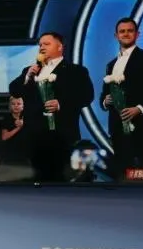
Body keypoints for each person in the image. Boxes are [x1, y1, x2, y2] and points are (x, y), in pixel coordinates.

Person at [9, 31, 93, 182]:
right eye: (40, 44)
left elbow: (87, 96)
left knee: (61, 178)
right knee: (36, 178)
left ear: (60, 47)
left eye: (46, 44)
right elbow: (14, 90)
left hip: (62, 135)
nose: (42, 47)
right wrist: (27, 76)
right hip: (34, 136)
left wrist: (61, 104)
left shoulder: (75, 71)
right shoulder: (30, 70)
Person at [100, 17, 143, 179]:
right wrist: (105, 101)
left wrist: (139, 108)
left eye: (130, 31)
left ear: (137, 34)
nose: (126, 34)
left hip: (142, 127)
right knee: (122, 176)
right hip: (117, 130)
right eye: (122, 31)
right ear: (116, 36)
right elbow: (104, 93)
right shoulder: (111, 64)